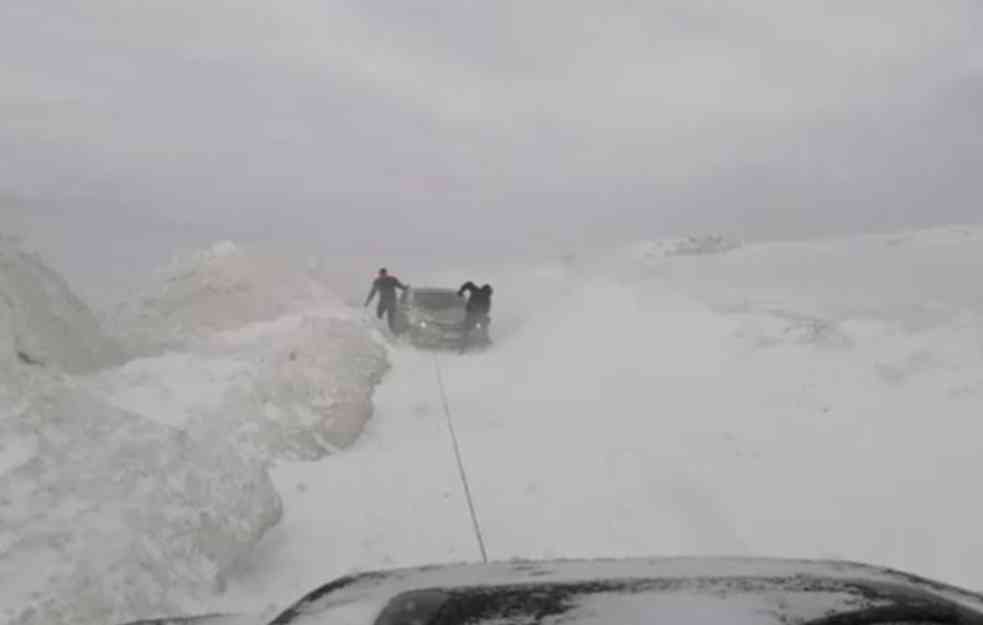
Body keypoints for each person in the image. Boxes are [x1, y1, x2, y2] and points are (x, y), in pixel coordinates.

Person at [365, 268, 408, 334]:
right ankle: (381, 330)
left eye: (384, 274)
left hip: (392, 302)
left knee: (390, 318)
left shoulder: (392, 280)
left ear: (386, 274)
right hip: (383, 301)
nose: (383, 276)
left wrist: (405, 288)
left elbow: (400, 286)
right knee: (378, 315)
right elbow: (372, 293)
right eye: (381, 275)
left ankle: (393, 331)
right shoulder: (377, 281)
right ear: (379, 274)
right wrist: (367, 302)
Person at [457, 281, 493, 347]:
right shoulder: (476, 290)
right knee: (466, 327)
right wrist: (461, 291)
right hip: (470, 313)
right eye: (487, 292)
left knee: (483, 324)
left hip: (478, 314)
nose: (486, 294)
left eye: (488, 293)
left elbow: (487, 309)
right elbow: (468, 284)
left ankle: (484, 338)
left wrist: (484, 315)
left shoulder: (487, 298)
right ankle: (463, 342)